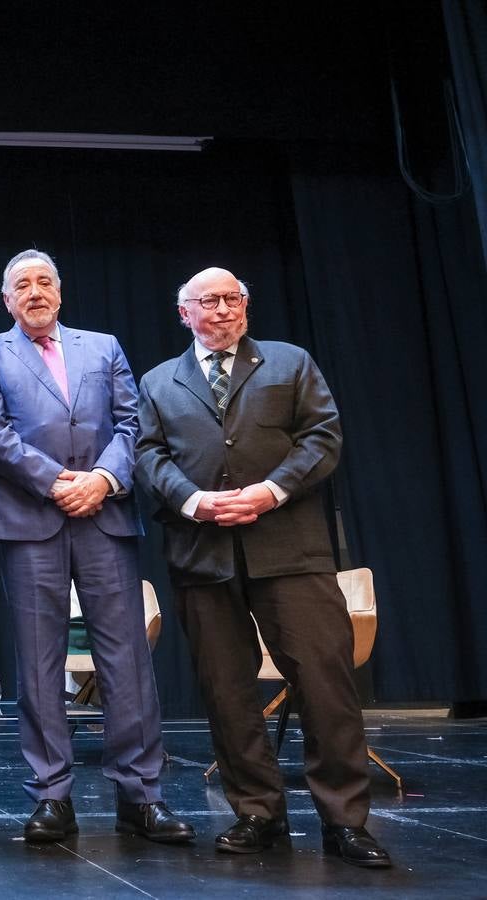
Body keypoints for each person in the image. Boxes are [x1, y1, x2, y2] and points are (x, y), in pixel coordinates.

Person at [134, 266, 391, 868]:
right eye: (210, 301)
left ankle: (346, 822)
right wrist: (193, 501)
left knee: (325, 687)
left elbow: (323, 437)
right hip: (202, 553)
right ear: (185, 314)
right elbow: (148, 453)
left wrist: (271, 490)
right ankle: (257, 813)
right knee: (227, 692)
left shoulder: (290, 362)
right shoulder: (157, 382)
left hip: (290, 550)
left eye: (234, 298)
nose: (224, 309)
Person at [0, 249, 193, 845]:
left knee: (128, 661)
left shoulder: (105, 346)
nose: (35, 292)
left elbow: (131, 423)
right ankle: (51, 799)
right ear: (6, 300)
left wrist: (104, 480)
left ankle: (141, 797)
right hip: (28, 518)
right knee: (40, 665)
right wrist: (56, 482)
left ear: (60, 294)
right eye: (23, 285)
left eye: (45, 282)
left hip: (105, 513)